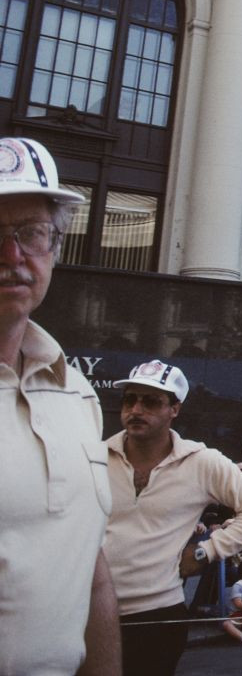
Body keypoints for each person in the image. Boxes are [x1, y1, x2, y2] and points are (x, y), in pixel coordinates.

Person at [0, 137, 120, 676]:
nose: (13, 257)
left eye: (31, 234)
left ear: (54, 248)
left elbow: (91, 573)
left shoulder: (79, 394)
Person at [105, 358, 242, 676]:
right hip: (91, 611)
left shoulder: (200, 461)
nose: (136, 409)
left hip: (158, 614)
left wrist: (207, 550)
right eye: (130, 399)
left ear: (175, 409)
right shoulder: (97, 456)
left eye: (151, 401)